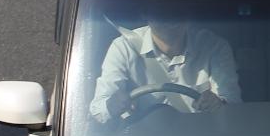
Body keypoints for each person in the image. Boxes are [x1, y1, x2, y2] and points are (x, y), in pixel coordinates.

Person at [89, 14, 241, 125]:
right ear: (145, 13)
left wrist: (220, 105)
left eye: (176, 9)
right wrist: (112, 105)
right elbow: (98, 110)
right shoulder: (123, 47)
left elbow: (234, 105)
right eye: (160, 8)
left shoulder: (214, 46)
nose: (169, 16)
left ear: (189, 12)